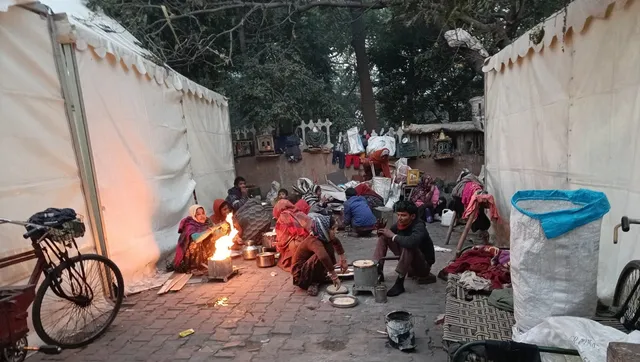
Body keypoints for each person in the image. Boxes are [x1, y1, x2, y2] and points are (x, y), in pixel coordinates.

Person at [374, 200, 436, 297]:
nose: (399, 218)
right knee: (384, 237)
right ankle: (378, 269)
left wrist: (393, 235)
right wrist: (381, 231)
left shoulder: (419, 226)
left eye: (403, 215)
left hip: (422, 268)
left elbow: (410, 242)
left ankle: (399, 282)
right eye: (398, 215)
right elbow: (389, 234)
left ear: (413, 216)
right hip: (408, 263)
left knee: (409, 245)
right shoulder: (400, 224)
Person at [292, 213, 348, 296]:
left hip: (308, 270)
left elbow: (336, 242)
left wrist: (343, 260)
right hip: (301, 277)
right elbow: (323, 257)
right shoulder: (313, 241)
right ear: (324, 229)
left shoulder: (323, 237)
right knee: (322, 254)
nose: (336, 231)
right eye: (333, 229)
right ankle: (312, 282)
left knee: (328, 245)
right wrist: (334, 275)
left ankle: (319, 277)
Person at [172, 205, 215, 273]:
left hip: (202, 251)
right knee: (195, 243)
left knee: (212, 237)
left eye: (203, 213)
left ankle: (207, 261)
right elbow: (196, 238)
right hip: (187, 256)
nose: (202, 216)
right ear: (193, 215)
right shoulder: (190, 225)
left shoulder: (207, 222)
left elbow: (215, 231)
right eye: (198, 214)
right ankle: (193, 267)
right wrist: (208, 231)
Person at [273, 199, 312, 272]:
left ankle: (294, 264)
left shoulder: (283, 216)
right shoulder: (299, 212)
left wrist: (277, 243)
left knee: (290, 245)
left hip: (299, 244)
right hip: (311, 242)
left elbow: (283, 238)